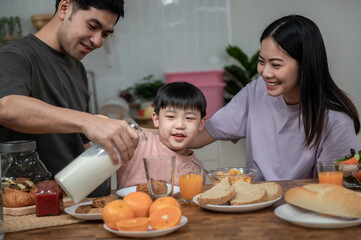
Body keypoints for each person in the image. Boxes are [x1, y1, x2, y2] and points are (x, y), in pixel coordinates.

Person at [191, 14, 360, 181]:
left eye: (276, 65)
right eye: (262, 61)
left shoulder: (336, 121)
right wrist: (169, 133)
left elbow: (334, 189)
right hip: (257, 203)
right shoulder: (256, 91)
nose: (265, 72)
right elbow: (201, 135)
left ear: (305, 65)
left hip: (303, 206)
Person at [0, 0, 139, 194]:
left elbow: (80, 142)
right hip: (36, 204)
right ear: (65, 8)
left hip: (80, 203)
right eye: (92, 26)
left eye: (105, 34)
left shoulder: (77, 68)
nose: (98, 41)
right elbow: (7, 108)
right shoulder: (14, 55)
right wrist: (88, 121)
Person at [117, 82, 207, 189]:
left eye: (189, 118)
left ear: (201, 124)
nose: (180, 125)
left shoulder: (196, 170)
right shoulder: (138, 142)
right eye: (171, 116)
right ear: (157, 120)